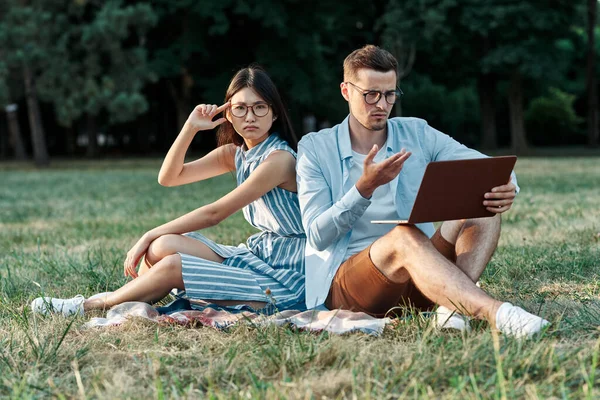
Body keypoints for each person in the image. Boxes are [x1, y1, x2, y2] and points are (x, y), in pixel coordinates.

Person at [296, 45, 549, 338]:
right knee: (404, 236)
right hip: (351, 286)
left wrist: (507, 184)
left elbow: (482, 164)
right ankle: (499, 314)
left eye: (390, 94)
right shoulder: (314, 148)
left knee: (483, 206)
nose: (381, 104)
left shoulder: (416, 132)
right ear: (346, 91)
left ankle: (451, 309)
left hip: (421, 273)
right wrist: (363, 189)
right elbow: (316, 234)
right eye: (371, 95)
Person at [32, 65, 306, 316]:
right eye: (240, 108)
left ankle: (90, 306)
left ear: (275, 112)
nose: (250, 117)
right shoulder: (235, 154)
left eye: (259, 107)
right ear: (227, 113)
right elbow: (169, 177)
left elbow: (215, 213)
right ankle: (131, 298)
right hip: (258, 255)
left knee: (173, 264)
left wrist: (149, 232)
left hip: (287, 274)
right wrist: (190, 127)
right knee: (162, 246)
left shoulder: (279, 160)